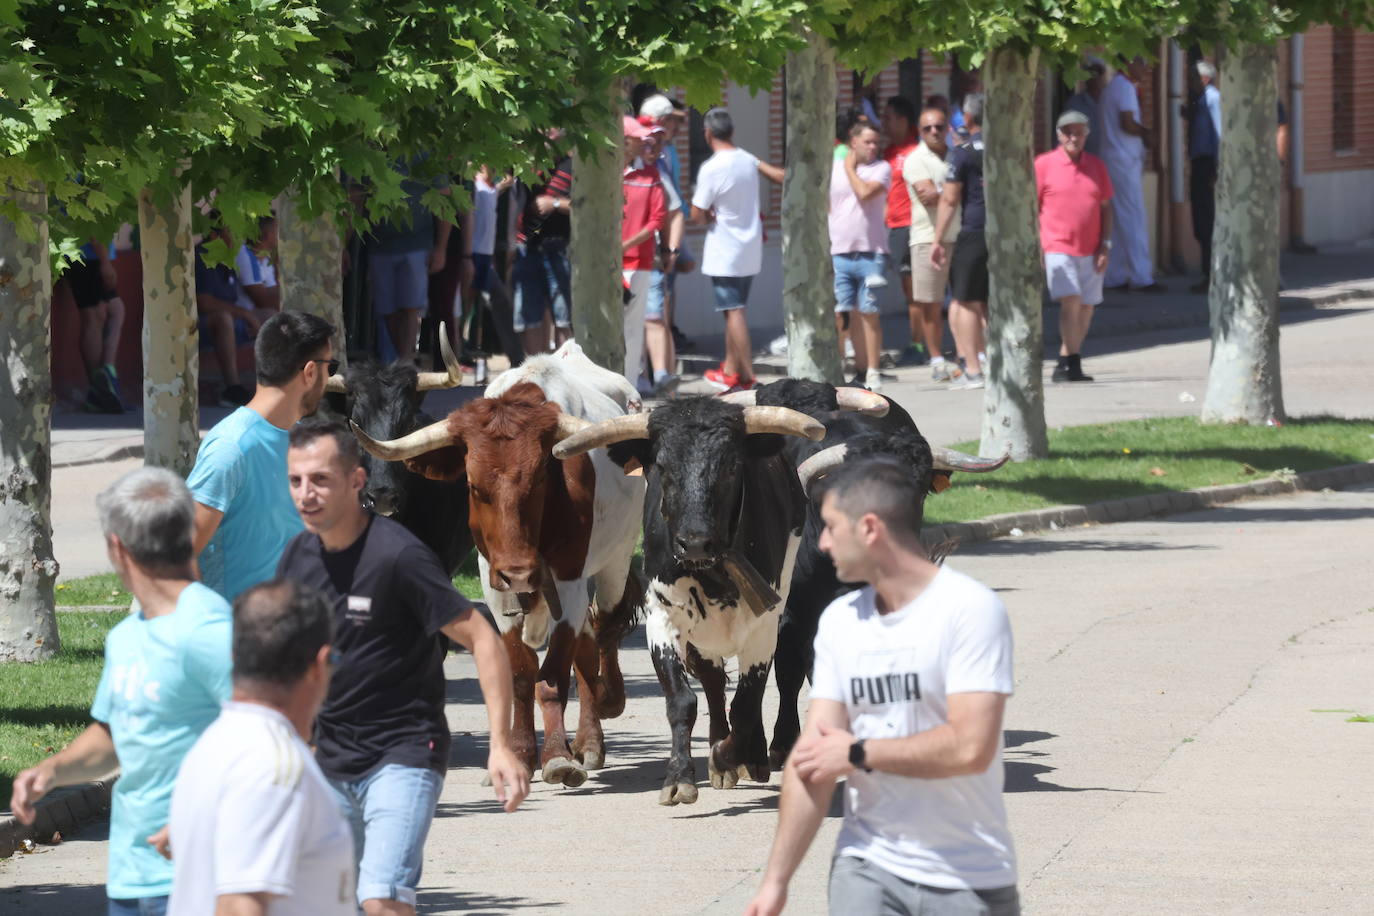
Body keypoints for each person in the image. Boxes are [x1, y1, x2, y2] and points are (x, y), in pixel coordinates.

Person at [744, 456, 1018, 916]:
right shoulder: (840, 621)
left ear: (869, 528)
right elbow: (813, 758)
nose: (823, 542)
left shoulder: (969, 610)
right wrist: (775, 881)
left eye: (830, 527)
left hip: (968, 877)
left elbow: (971, 746)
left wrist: (857, 753)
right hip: (865, 868)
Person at [276, 419, 529, 916]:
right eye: (296, 481)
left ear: (356, 481)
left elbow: (482, 637)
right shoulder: (297, 558)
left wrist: (500, 744)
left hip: (404, 753)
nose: (306, 494)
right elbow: (285, 660)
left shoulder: (399, 557)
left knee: (382, 896)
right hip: (326, 759)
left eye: (320, 479)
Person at [10, 468, 233, 916]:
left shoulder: (211, 631)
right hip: (133, 876)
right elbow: (114, 737)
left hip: (206, 879)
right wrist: (51, 772)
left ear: (117, 548)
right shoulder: (127, 636)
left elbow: (271, 742)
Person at [167, 580, 354, 915]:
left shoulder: (213, 744)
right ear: (319, 664)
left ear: (235, 657)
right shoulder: (273, 764)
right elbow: (239, 906)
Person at [188, 309, 335, 603]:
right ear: (309, 372)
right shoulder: (231, 447)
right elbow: (179, 551)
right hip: (238, 641)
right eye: (330, 366)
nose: (330, 377)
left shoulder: (303, 441)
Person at [691, 107, 783, 392]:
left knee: (733, 311)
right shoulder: (747, 160)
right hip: (750, 246)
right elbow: (777, 175)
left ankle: (747, 376)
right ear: (731, 131)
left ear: (707, 133)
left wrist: (709, 216)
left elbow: (697, 214)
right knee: (734, 309)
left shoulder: (711, 167)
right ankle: (731, 368)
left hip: (724, 250)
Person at [1036, 110, 1115, 383]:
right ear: (1059, 135)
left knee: (1087, 306)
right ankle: (1074, 361)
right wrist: (1037, 246)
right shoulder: (1044, 165)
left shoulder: (1097, 167)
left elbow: (1106, 208)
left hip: (1091, 248)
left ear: (1086, 135)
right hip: (1056, 245)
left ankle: (1065, 361)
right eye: (1068, 132)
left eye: (1079, 132)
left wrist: (1105, 245)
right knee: (1071, 300)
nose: (1074, 137)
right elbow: (1032, 208)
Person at [366, 156, 453, 362]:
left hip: (417, 244)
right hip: (381, 244)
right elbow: (356, 196)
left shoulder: (424, 152)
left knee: (411, 306)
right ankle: (398, 359)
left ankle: (406, 359)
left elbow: (443, 200)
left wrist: (441, 248)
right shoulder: (372, 152)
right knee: (386, 309)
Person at [639, 93, 697, 397]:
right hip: (633, 253)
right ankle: (646, 376)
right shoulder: (642, 163)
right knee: (648, 316)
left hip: (655, 251)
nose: (656, 146)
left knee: (657, 314)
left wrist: (674, 248)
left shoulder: (663, 159)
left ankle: (661, 375)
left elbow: (674, 209)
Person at [931, 94, 989, 391]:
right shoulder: (1004, 148)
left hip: (974, 229)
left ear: (967, 118)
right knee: (994, 302)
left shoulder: (963, 151)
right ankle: (996, 363)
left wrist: (938, 239)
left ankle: (974, 370)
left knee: (966, 301)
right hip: (1002, 231)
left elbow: (950, 198)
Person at [829, 121, 891, 392]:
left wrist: (849, 169)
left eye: (876, 142)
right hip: (840, 250)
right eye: (868, 142)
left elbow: (865, 193)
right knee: (845, 313)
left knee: (869, 312)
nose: (873, 147)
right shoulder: (834, 170)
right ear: (853, 143)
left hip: (871, 251)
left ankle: (874, 369)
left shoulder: (881, 168)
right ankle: (855, 367)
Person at [902, 106, 959, 382]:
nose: (934, 131)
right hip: (926, 237)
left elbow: (942, 194)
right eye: (928, 128)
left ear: (947, 127)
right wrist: (959, 188)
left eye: (939, 126)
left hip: (961, 235)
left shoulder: (957, 153)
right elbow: (928, 196)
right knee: (930, 303)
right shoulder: (915, 160)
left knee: (966, 302)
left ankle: (966, 356)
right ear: (920, 131)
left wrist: (945, 191)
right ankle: (936, 359)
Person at [1101, 57, 1162, 293]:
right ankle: (1142, 276)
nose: (1145, 68)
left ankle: (1115, 275)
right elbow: (1127, 123)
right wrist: (1147, 134)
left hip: (1115, 159)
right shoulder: (1124, 87)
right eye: (1140, 63)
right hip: (1122, 161)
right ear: (1128, 64)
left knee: (1116, 220)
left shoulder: (1115, 86)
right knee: (1133, 217)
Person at [514, 141, 574, 357]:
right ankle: (535, 374)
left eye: (552, 130)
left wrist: (555, 203)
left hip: (559, 247)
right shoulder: (526, 166)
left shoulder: (572, 165)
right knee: (529, 317)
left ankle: (566, 374)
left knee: (563, 316)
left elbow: (586, 205)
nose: (547, 136)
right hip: (527, 248)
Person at [621, 115, 668, 388]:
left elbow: (656, 220)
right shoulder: (605, 174)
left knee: (632, 328)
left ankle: (628, 386)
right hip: (608, 263)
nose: (643, 143)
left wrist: (623, 246)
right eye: (637, 138)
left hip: (639, 262)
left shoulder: (651, 175)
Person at [196, 222, 262, 406]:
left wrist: (250, 317)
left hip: (234, 322)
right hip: (197, 325)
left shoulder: (228, 258)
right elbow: (204, 303)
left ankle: (274, 385)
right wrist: (245, 314)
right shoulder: (202, 256)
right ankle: (232, 388)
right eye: (232, 232)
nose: (237, 238)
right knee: (223, 319)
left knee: (271, 316)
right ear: (214, 236)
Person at [63, 234, 128, 413]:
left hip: (88, 255)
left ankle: (106, 375)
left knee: (115, 309)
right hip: (85, 256)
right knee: (94, 315)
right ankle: (99, 386)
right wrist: (105, 262)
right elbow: (93, 229)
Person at [881, 96, 921, 364]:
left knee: (915, 291)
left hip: (913, 227)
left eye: (888, 118)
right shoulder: (889, 152)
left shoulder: (917, 152)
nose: (884, 124)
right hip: (894, 228)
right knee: (910, 290)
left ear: (903, 121)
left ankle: (918, 345)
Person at [1184, 59, 1222, 293]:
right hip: (1200, 163)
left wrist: (1218, 167)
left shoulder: (1212, 99)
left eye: (1193, 77)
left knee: (1207, 221)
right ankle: (1208, 274)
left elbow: (1219, 133)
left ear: (1204, 79)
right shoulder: (1202, 100)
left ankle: (1212, 276)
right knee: (1200, 221)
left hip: (1208, 164)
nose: (1189, 82)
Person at [235, 214, 281, 315]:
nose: (282, 235)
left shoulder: (265, 261)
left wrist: (279, 267)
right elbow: (263, 302)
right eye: (278, 230)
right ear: (268, 234)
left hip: (256, 313)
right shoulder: (244, 253)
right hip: (242, 315)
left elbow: (274, 293)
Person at [1064, 56, 1108, 159]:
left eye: (1099, 72)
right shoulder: (1074, 105)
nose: (1096, 77)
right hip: (1085, 165)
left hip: (1110, 166)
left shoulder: (1111, 102)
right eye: (1091, 73)